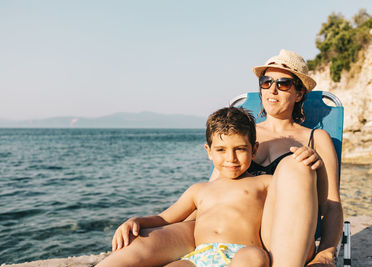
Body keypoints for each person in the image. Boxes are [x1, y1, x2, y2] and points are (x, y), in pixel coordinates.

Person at [97, 49, 343, 267]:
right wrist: (143, 223)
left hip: (273, 236)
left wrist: (326, 253)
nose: (273, 89)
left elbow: (330, 204)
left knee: (295, 164)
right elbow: (216, 192)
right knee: (138, 247)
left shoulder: (315, 137)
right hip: (220, 235)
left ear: (299, 93)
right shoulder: (240, 134)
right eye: (266, 82)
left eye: (284, 83)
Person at [99, 107, 271, 267]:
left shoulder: (263, 183)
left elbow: (294, 190)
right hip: (199, 257)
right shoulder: (199, 190)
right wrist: (136, 221)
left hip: (240, 253)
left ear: (254, 150)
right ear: (209, 151)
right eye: (221, 150)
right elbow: (165, 219)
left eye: (240, 149)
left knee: (255, 256)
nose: (230, 158)